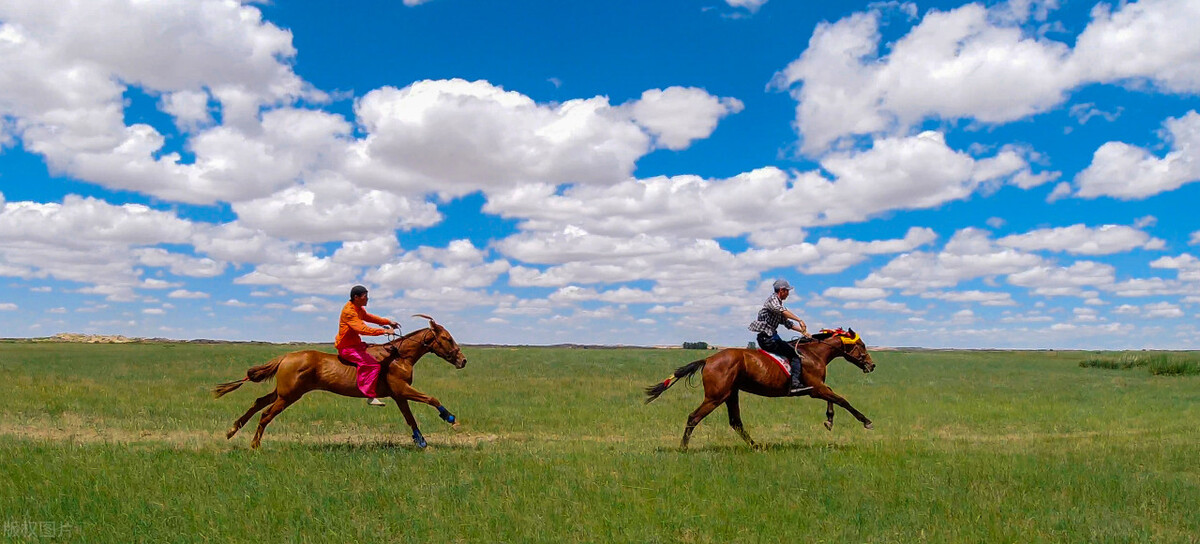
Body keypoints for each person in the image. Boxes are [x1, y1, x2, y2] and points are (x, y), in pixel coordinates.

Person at [336, 285, 400, 407]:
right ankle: (370, 395)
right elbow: (362, 330)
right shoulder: (349, 312)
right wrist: (384, 331)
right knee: (372, 365)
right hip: (347, 348)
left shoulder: (358, 308)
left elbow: (369, 317)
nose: (368, 299)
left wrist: (387, 322)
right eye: (365, 296)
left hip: (356, 344)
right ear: (356, 297)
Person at [748, 279, 810, 395]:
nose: (788, 294)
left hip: (771, 337)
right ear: (782, 290)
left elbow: (788, 324)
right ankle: (795, 384)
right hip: (768, 338)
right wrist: (800, 320)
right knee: (795, 355)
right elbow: (782, 311)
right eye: (787, 291)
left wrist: (803, 332)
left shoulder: (778, 304)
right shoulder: (773, 301)